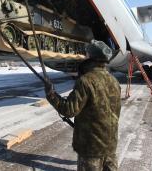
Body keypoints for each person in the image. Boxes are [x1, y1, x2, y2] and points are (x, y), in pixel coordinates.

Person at [45, 40, 121, 171]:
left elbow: (69, 110)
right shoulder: (114, 81)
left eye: (87, 54)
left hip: (91, 148)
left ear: (91, 57)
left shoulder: (86, 81)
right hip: (110, 144)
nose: (85, 56)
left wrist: (51, 95)